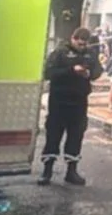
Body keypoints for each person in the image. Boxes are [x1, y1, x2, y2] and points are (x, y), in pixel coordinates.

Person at [39, 27, 102, 186]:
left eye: (84, 44)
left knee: (76, 135)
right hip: (59, 101)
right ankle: (47, 171)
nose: (82, 46)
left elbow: (97, 71)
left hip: (79, 101)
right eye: (79, 43)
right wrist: (71, 70)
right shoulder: (60, 52)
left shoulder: (90, 53)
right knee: (53, 134)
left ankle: (71, 171)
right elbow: (48, 73)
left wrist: (89, 74)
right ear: (73, 38)